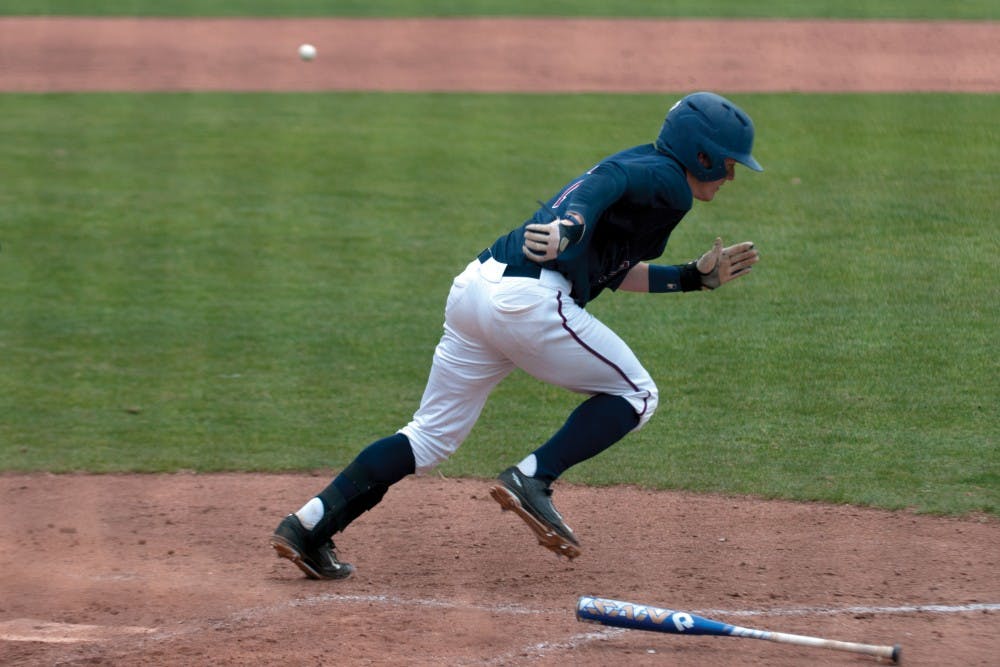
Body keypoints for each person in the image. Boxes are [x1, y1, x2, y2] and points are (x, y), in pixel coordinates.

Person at [270, 91, 763, 579]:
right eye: (728, 163)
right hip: (526, 302)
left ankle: (308, 527)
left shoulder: (655, 173)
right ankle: (532, 477)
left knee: (427, 438)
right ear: (702, 155)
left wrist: (690, 278)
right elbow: (604, 183)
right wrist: (570, 223)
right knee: (637, 394)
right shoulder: (666, 181)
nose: (732, 174)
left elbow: (610, 269)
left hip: (477, 290)